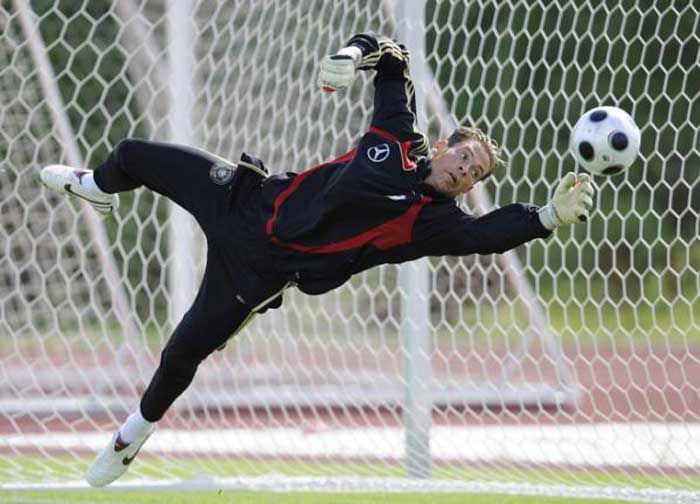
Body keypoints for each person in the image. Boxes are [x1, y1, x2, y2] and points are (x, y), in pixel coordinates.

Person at [40, 32, 594, 487]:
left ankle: (130, 437)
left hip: (260, 272)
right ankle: (96, 186)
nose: (464, 171)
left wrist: (545, 216)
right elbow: (394, 59)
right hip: (245, 198)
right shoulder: (399, 135)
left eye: (474, 174)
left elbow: (485, 235)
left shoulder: (434, 224)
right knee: (135, 155)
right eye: (464, 157)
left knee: (182, 352)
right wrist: (353, 57)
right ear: (446, 145)